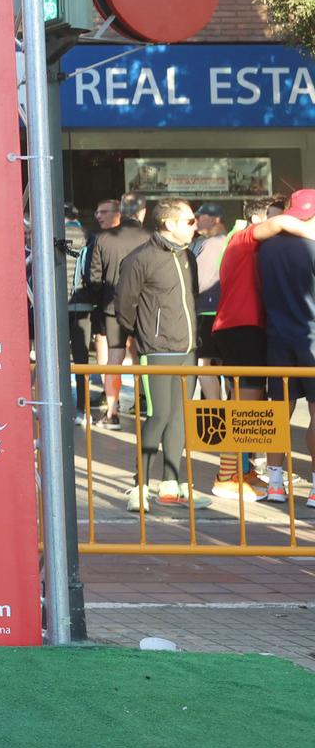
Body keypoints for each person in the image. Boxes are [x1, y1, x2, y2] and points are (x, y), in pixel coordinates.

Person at [202, 198, 312, 502]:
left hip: (248, 327)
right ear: (258, 218)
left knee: (252, 404)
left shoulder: (254, 245)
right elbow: (279, 223)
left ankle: (242, 470)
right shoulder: (245, 236)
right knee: (245, 406)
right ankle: (226, 476)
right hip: (241, 327)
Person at [113, 198, 199, 511]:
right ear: (169, 224)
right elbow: (124, 304)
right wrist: (143, 336)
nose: (195, 225)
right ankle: (140, 485)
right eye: (189, 221)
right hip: (157, 348)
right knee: (159, 415)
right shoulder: (141, 258)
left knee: (179, 416)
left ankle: (171, 483)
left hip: (187, 348)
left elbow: (192, 296)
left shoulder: (188, 255)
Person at [256, 188, 315, 507]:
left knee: (279, 411)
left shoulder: (265, 248)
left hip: (277, 335)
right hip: (311, 337)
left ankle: (275, 483)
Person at [77, 195, 149, 427]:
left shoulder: (103, 239)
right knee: (144, 356)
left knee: (114, 358)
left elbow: (94, 277)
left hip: (112, 306)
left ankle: (112, 412)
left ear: (122, 212)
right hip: (144, 306)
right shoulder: (150, 238)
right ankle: (148, 403)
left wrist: (100, 299)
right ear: (142, 212)